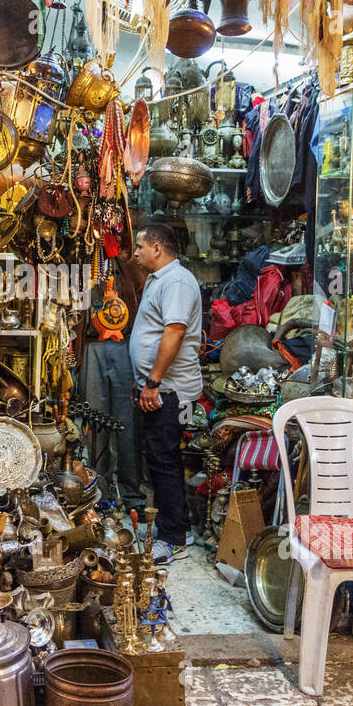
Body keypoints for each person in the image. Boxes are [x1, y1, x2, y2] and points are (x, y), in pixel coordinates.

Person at [129, 222, 203, 562]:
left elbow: (173, 332)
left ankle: (173, 539)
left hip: (169, 391)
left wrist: (154, 381)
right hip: (160, 389)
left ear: (157, 248)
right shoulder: (161, 279)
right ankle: (177, 526)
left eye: (140, 247)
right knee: (163, 460)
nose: (136, 253)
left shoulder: (176, 281)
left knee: (165, 461)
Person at [78, 256, 149, 516]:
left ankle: (132, 496)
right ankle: (101, 494)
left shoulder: (131, 261)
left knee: (128, 423)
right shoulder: (82, 255)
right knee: (95, 424)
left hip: (126, 344)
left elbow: (142, 297)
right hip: (90, 345)